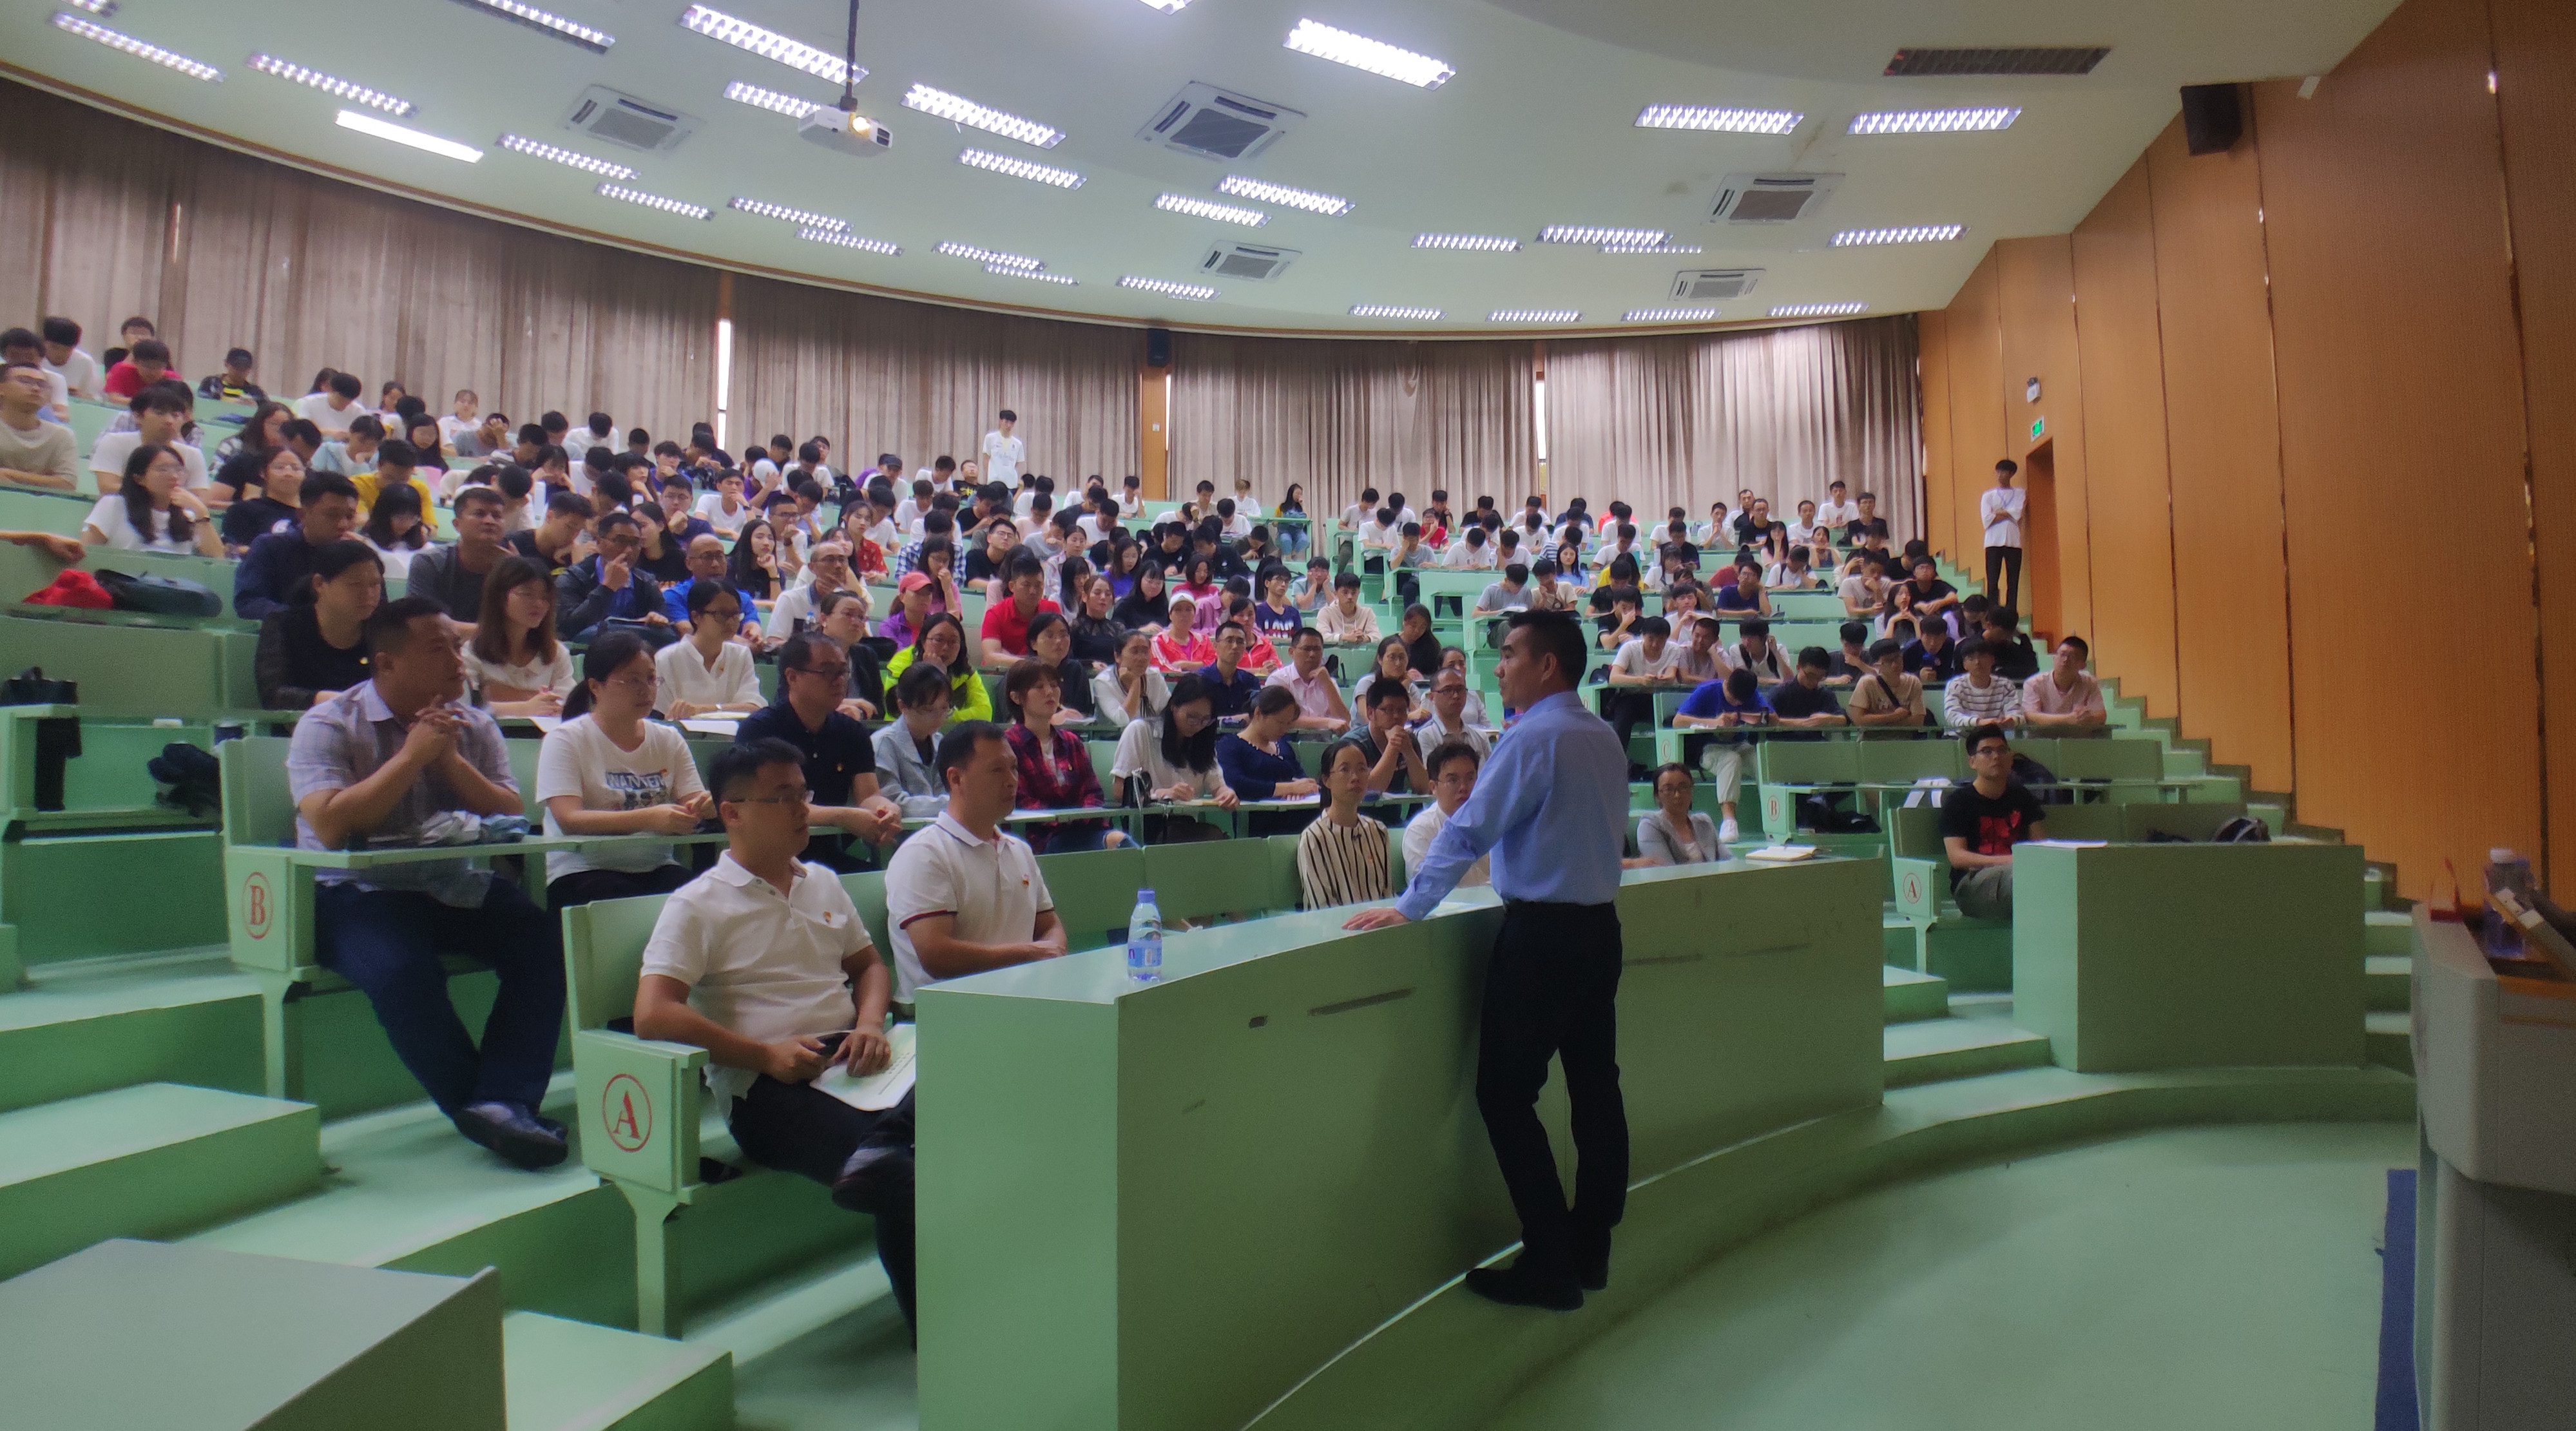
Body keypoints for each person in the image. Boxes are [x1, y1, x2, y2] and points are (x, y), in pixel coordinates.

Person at [1343, 611, 1629, 1310]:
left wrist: (1410, 905)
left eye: (1509, 654)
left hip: (1543, 939)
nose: (1496, 668)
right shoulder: (1601, 735)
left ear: (1548, 664)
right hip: (1599, 931)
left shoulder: (1533, 737)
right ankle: (1590, 1246)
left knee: (1504, 1095)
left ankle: (1550, 1259)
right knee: (1596, 1090)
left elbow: (1469, 828)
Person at [632, 739, 916, 1332]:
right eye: (782, 797)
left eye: (802, 793)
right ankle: (938, 1330)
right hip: (768, 1087)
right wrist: (763, 1054)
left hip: (853, 1056)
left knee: (972, 1099)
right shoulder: (698, 904)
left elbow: (868, 966)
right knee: (906, 1173)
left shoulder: (823, 882)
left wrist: (869, 1022)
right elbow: (653, 1013)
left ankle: (886, 1146)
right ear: (731, 811)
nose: (801, 808)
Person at [289, 596, 567, 1167]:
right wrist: (412, 757)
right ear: (386, 663)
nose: (457, 661)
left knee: (546, 944)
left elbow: (508, 811)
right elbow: (333, 827)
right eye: (438, 649)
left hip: (450, 883)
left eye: (457, 647)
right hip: (354, 893)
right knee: (403, 972)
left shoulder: (476, 724)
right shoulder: (328, 723)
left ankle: (503, 1100)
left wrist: (449, 762)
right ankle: (494, 1110)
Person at [884, 721, 1070, 1002]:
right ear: (956, 779)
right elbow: (937, 956)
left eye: (1014, 768)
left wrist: (1051, 950)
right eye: (996, 770)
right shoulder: (924, 853)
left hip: (1019, 1001)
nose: (1011, 780)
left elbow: (1049, 926)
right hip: (950, 1010)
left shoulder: (1019, 849)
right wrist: (1031, 954)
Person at [536, 631, 711, 907]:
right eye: (632, 680)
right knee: (619, 900)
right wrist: (648, 818)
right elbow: (569, 819)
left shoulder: (669, 739)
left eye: (651, 679)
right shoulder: (565, 739)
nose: (646, 689)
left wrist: (707, 806)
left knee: (703, 900)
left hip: (657, 867)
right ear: (596, 687)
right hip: (582, 871)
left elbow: (694, 801)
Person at [735, 632, 906, 870]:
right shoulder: (760, 729)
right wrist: (842, 816)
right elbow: (771, 806)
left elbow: (868, 796)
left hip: (827, 857)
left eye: (843, 671)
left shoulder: (853, 731)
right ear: (792, 677)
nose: (839, 680)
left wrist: (885, 809)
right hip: (768, 858)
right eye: (826, 671)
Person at [1000, 659, 1129, 853]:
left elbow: (1092, 792)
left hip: (1083, 829)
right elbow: (1020, 801)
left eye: (1054, 685)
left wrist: (1080, 818)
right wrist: (1065, 820)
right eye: (1039, 687)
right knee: (1112, 843)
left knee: (1121, 842)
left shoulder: (1071, 741)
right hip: (1038, 838)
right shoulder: (1008, 745)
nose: (1050, 692)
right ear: (1016, 697)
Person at [255, 539, 381, 709]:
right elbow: (273, 695)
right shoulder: (283, 625)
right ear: (319, 584)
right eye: (355, 584)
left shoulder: (384, 629)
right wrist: (334, 701)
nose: (368, 594)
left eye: (375, 584)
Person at [1941, 724, 2050, 919]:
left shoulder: (2023, 797)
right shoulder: (1959, 802)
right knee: (2025, 879)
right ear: (1972, 761)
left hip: (2020, 875)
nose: (1996, 756)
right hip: (1972, 884)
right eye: (1987, 751)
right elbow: (1958, 857)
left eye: (2002, 750)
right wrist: (2010, 861)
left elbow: (2040, 846)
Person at [233, 471, 363, 619]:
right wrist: (308, 619)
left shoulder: (358, 557)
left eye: (350, 516)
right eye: (332, 515)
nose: (343, 525)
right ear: (302, 515)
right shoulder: (270, 547)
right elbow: (249, 602)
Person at [1110, 676, 1238, 817]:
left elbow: (1218, 786)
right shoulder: (1140, 731)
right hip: (1145, 820)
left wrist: (1226, 794)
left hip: (1186, 822)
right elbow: (1119, 791)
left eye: (1205, 720)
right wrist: (1161, 794)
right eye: (1192, 717)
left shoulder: (1203, 741)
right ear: (1174, 706)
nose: (1198, 725)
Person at [464, 557, 577, 716]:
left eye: (545, 597)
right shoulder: (472, 652)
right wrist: (525, 707)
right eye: (527, 594)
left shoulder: (557, 653)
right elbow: (467, 706)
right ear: (500, 597)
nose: (539, 604)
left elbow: (566, 706)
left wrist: (497, 694)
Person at [1671, 667, 1768, 842]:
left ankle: (1772, 819)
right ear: (1727, 684)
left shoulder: (1751, 694)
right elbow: (1678, 721)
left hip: (1739, 744)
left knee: (1761, 759)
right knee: (1731, 760)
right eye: (1733, 699)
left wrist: (1744, 716)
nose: (1736, 704)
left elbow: (1771, 717)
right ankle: (1729, 821)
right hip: (1709, 748)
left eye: (1740, 702)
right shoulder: (1707, 690)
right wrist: (1714, 722)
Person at [1297, 741, 1391, 909]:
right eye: (1345, 770)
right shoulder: (1314, 838)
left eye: (1362, 769)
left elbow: (1387, 895)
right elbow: (1323, 908)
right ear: (1327, 780)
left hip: (1379, 922)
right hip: (1334, 924)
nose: (1355, 778)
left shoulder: (1378, 830)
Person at [84, 443, 221, 555]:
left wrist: (200, 511)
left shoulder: (189, 517)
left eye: (179, 470)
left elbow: (217, 557)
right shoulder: (113, 505)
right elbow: (86, 551)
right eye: (163, 470)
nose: (174, 476)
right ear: (139, 478)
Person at [557, 511, 669, 642]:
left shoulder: (646, 581)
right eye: (620, 541)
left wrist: (656, 620)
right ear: (599, 542)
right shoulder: (574, 577)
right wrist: (607, 588)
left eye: (635, 543)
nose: (629, 550)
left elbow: (666, 627)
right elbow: (566, 628)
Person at [657, 584, 765, 718]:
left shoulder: (741, 654)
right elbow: (661, 714)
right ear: (696, 617)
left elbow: (754, 707)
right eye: (721, 614)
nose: (731, 622)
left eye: (735, 615)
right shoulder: (666, 658)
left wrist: (701, 710)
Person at [90, 385, 209, 494]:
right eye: (160, 413)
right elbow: (107, 487)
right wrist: (161, 493)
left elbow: (200, 497)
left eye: (175, 415)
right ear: (138, 416)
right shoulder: (114, 442)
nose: (169, 421)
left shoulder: (193, 455)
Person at [871, 664, 956, 818]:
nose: (938, 718)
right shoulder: (883, 744)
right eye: (928, 710)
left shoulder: (940, 742)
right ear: (903, 706)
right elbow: (892, 804)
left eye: (944, 709)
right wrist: (955, 803)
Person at [1403, 739, 1489, 888]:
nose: (1463, 788)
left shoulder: (1488, 822)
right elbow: (1426, 888)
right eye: (1453, 780)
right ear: (1433, 787)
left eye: (1470, 778)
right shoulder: (1420, 830)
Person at [883, 613, 995, 726]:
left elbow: (985, 713)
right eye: (938, 640)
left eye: (953, 641)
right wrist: (932, 676)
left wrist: (946, 717)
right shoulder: (902, 663)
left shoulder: (964, 669)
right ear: (923, 641)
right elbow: (896, 712)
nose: (946, 647)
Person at [1601, 615, 1689, 757]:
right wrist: (1641, 680)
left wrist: (1664, 680)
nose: (1655, 645)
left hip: (1658, 698)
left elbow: (1671, 675)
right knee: (1622, 722)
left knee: (1674, 720)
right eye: (1651, 639)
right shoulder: (1629, 648)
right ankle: (1616, 759)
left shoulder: (1673, 649)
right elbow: (1614, 678)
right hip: (1630, 697)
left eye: (1660, 640)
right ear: (1643, 635)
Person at [1216, 686, 1322, 803]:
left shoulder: (1283, 747)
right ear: (1258, 713)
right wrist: (1289, 788)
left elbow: (1302, 778)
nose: (1284, 729)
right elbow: (1235, 783)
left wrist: (1303, 789)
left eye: (1288, 724)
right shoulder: (1229, 745)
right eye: (1280, 722)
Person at [0, 360, 77, 490]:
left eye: (42, 385)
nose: (36, 388)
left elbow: (67, 483)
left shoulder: (62, 436)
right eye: (25, 381)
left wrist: (7, 474)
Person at [1630, 762, 1723, 867]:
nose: (1677, 795)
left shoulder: (1704, 822)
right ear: (1657, 795)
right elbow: (1666, 870)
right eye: (1668, 789)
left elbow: (1728, 860)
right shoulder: (1650, 825)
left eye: (1683, 787)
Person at [221, 444, 305, 552]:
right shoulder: (243, 511)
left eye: (296, 468)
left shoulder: (313, 515)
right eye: (280, 468)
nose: (288, 474)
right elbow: (236, 550)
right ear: (263, 473)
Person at [1265, 626, 1351, 731]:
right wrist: (1326, 722)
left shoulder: (1329, 682)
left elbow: (1343, 721)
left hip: (1324, 740)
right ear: (1291, 652)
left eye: (1317, 649)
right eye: (1306, 649)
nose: (1312, 654)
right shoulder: (1278, 680)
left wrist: (1328, 684)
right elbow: (1281, 719)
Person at [978, 554, 1059, 666]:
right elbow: (991, 658)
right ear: (1012, 586)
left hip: (1042, 673)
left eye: (1038, 585)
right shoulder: (995, 614)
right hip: (1005, 673)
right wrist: (1032, 664)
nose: (1033, 591)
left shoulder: (1052, 609)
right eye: (1026, 585)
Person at [2023, 635, 2108, 729]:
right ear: (2054, 658)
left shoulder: (2090, 683)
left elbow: (2101, 715)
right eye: (2062, 655)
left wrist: (2088, 718)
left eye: (2073, 657)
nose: (2066, 660)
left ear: (2083, 665)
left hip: (2077, 736)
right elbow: (2031, 716)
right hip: (2041, 735)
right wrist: (2068, 719)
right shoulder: (2034, 683)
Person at [1093, 629, 1171, 727]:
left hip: (1152, 734)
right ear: (1117, 657)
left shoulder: (1155, 676)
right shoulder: (1104, 682)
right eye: (1135, 652)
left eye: (1145, 652)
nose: (1142, 658)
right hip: (1114, 736)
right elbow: (1122, 721)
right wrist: (1136, 682)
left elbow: (1170, 712)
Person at [1848, 639, 1930, 728]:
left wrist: (1879, 722)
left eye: (1898, 658)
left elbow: (1918, 721)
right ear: (1877, 666)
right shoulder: (1866, 683)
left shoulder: (1913, 682)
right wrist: (1895, 717)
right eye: (1888, 661)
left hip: (1905, 737)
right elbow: (1858, 720)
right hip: (1873, 737)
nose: (1895, 665)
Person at [1943, 639, 2023, 729]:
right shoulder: (1955, 685)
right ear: (1965, 665)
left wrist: (2011, 720)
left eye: (1982, 657)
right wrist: (1980, 723)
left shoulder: (2006, 685)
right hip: (1960, 736)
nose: (1977, 662)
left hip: (1994, 735)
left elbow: (2018, 715)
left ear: (1992, 660)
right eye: (1971, 659)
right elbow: (1952, 717)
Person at [359, 479, 432, 579]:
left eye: (413, 519)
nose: (406, 524)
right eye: (400, 518)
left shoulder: (426, 549)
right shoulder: (366, 546)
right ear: (384, 515)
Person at [1981, 459, 2026, 618]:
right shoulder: (1988, 495)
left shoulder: (2019, 493)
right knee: (1993, 579)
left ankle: (2011, 613)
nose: (2000, 475)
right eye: (1998, 472)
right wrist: (2008, 513)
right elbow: (1987, 518)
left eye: (2004, 472)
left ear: (2011, 474)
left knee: (2013, 580)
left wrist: (1998, 513)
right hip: (1993, 541)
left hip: (2013, 541)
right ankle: (1993, 612)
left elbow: (2018, 512)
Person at [1767, 648, 1850, 729]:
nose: (1814, 681)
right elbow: (1767, 719)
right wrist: (1806, 723)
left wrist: (1829, 719)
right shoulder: (1780, 693)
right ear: (1798, 668)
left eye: (1820, 677)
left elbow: (1844, 719)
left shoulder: (1824, 695)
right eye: (1810, 676)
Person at [1197, 622, 1265, 720]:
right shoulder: (1200, 680)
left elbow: (1257, 717)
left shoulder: (1251, 681)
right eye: (1229, 641)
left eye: (1240, 642)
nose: (1235, 646)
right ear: (1215, 646)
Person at [1150, 592, 1213, 673]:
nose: (1184, 614)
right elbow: (1161, 668)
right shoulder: (1158, 641)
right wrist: (1199, 666)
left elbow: (1214, 664)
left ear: (1194, 615)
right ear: (1170, 615)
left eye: (1188, 610)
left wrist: (1186, 665)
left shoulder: (1204, 640)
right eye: (1178, 610)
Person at [1316, 571, 1381, 644]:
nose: (1350, 597)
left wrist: (1364, 638)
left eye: (1354, 593)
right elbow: (1321, 637)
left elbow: (1378, 637)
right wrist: (1343, 637)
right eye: (1345, 593)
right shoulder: (1326, 612)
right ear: (1336, 593)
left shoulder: (1367, 613)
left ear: (1359, 593)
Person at [1980, 606, 2041, 682]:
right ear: (1989, 625)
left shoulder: (2010, 648)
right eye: (2002, 632)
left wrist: (2023, 637)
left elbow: (2032, 668)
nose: (2005, 637)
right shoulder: (1975, 646)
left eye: (2009, 633)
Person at [1903, 613, 1963, 688]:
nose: (1933, 643)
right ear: (1921, 636)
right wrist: (1918, 675)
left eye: (1938, 638)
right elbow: (1900, 674)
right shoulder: (1910, 650)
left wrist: (1938, 675)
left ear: (1945, 637)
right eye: (1928, 638)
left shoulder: (1952, 647)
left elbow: (1958, 674)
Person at [980, 410, 1024, 486]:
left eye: (1011, 423)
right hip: (994, 480)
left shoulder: (1018, 443)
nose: (1009, 425)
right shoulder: (990, 438)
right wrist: (989, 475)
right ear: (1001, 421)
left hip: (1011, 482)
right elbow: (986, 458)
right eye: (1006, 422)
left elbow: (1017, 463)